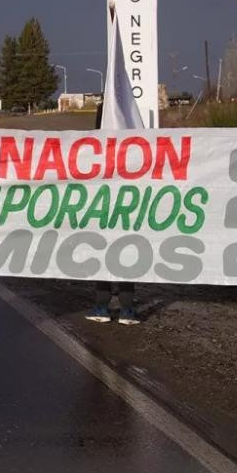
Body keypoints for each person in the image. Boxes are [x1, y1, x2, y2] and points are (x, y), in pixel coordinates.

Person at [85, 100, 141, 325]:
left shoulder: (90, 148)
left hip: (103, 210)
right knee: (126, 255)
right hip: (125, 210)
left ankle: (103, 307)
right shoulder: (135, 147)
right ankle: (125, 309)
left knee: (104, 255)